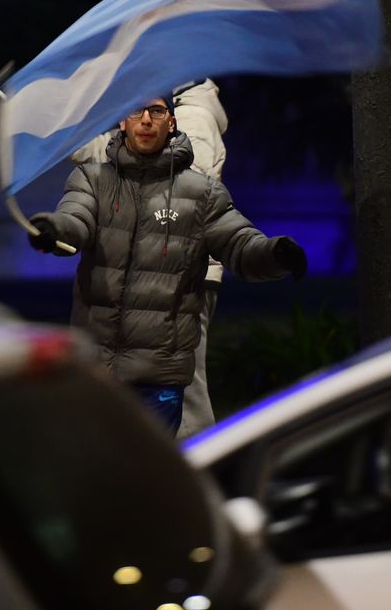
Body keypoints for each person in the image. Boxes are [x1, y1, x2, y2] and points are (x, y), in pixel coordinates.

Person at [28, 94, 307, 434]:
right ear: (122, 121)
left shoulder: (200, 193)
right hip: (96, 371)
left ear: (171, 122)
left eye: (157, 112)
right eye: (136, 111)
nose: (146, 120)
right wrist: (53, 229)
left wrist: (275, 254)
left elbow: (238, 243)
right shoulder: (92, 179)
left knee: (146, 479)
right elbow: (75, 219)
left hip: (158, 378)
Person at [69, 80, 228, 438]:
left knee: (183, 392)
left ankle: (198, 472)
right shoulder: (165, 108)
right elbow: (108, 156)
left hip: (178, 275)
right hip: (150, 269)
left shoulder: (193, 119)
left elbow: (179, 195)